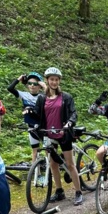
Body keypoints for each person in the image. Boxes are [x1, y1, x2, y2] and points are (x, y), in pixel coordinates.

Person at [33, 67, 84, 206]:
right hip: (49, 134)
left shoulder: (66, 97)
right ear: (47, 81)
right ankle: (59, 190)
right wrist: (29, 113)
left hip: (64, 134)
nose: (54, 82)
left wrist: (69, 123)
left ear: (59, 81)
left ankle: (78, 192)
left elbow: (73, 113)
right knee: (53, 164)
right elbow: (37, 114)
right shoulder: (42, 98)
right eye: (51, 79)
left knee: (70, 164)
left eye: (56, 80)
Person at [6, 72, 43, 163]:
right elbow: (10, 88)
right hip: (31, 127)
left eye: (35, 84)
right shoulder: (24, 95)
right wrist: (19, 79)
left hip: (43, 127)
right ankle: (36, 173)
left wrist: (44, 85)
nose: (32, 86)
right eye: (30, 83)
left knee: (48, 150)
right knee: (35, 151)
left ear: (39, 86)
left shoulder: (43, 97)